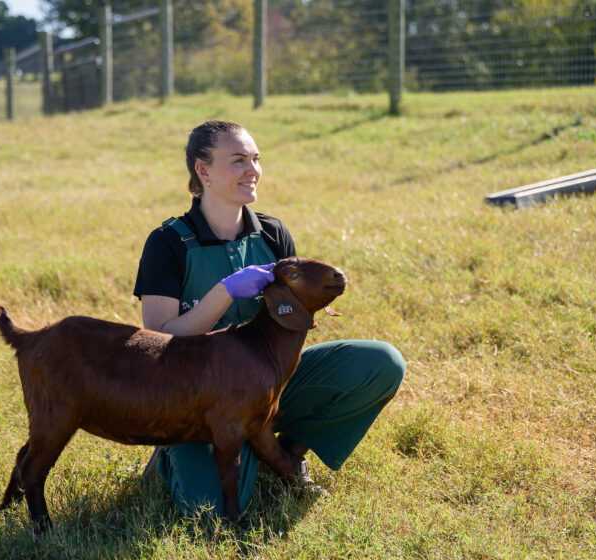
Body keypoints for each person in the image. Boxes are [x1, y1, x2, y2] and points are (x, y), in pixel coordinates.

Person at [133, 120, 405, 516]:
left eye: (256, 159)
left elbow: (294, 323)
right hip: (197, 407)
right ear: (203, 171)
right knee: (208, 510)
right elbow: (157, 345)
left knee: (381, 363)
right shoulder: (168, 243)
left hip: (267, 392)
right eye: (239, 160)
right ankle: (170, 458)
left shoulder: (273, 234)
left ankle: (286, 455)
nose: (253, 170)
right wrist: (225, 290)